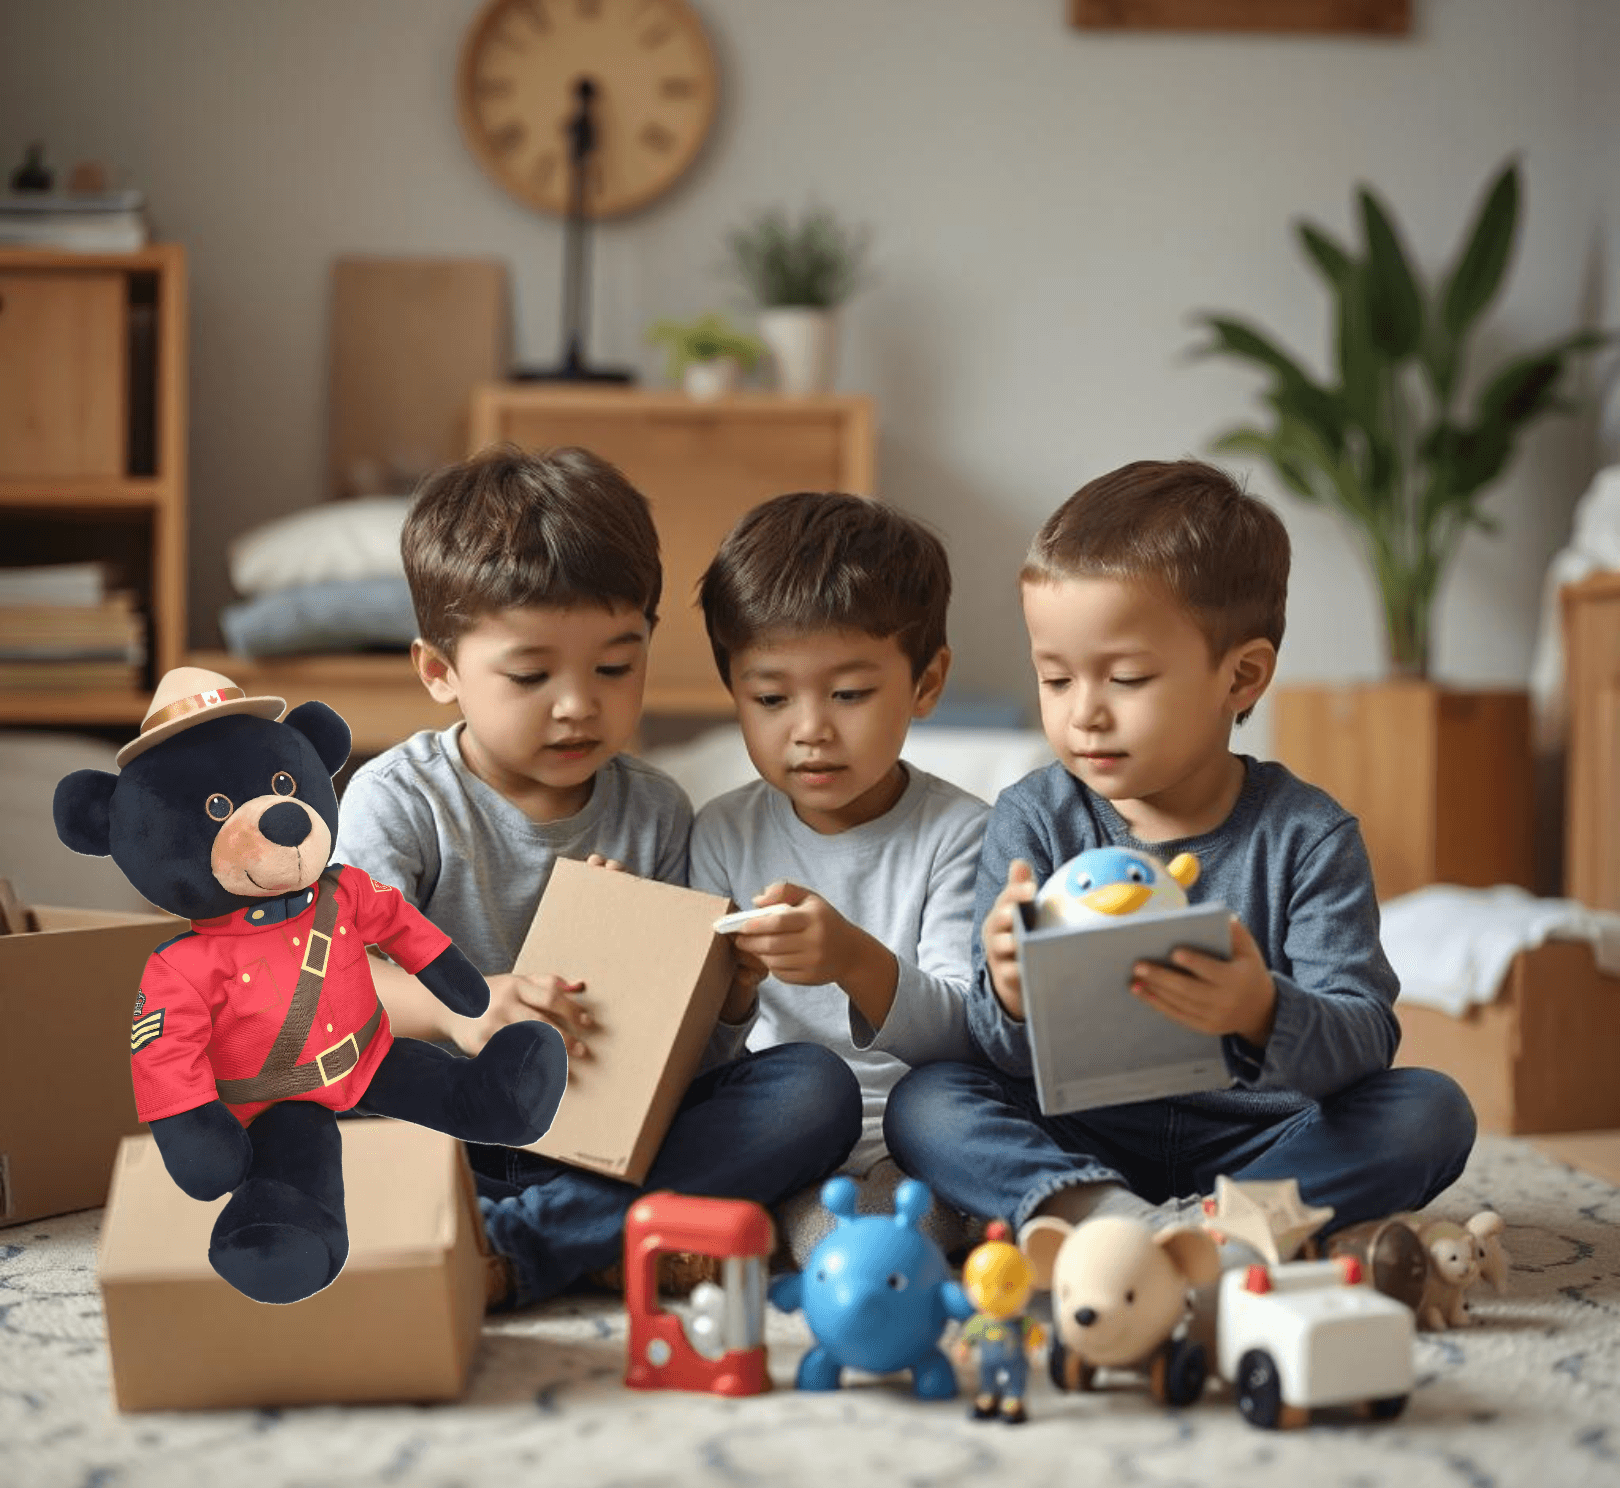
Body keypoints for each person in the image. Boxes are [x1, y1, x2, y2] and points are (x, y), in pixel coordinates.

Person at [883, 459, 1476, 1248]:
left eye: (1125, 678)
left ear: (1242, 677)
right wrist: (1011, 990)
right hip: (1083, 1135)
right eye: (1055, 678)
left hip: (1260, 1141)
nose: (1084, 714)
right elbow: (998, 1050)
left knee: (1430, 1110)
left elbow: (1365, 1039)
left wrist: (1261, 1011)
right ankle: (1099, 1215)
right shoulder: (1035, 815)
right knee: (927, 1100)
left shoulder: (1308, 836)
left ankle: (1225, 1225)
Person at [334, 445, 860, 1306]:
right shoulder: (401, 798)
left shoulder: (654, 810)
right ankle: (609, 1232)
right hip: (440, 1126)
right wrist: (463, 1008)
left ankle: (528, 1242)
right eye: (532, 675)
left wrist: (722, 994)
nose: (579, 703)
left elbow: (679, 1065)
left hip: (599, 1138)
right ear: (440, 672)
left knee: (813, 1089)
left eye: (615, 667)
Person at [689, 493, 989, 1259]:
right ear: (734, 692)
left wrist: (854, 960)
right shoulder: (722, 832)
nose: (811, 728)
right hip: (787, 1132)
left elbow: (965, 1037)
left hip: (922, 1134)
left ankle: (893, 1228)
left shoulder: (960, 833)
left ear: (925, 683)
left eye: (850, 694)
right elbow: (701, 1065)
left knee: (945, 1118)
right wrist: (735, 994)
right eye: (770, 697)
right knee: (797, 1097)